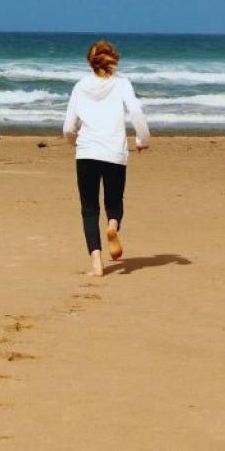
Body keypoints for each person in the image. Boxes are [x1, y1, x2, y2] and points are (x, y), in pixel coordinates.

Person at [63, 40, 150, 276]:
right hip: (114, 152)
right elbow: (136, 112)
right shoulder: (122, 84)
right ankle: (112, 226)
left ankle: (97, 263)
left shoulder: (81, 86)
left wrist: (73, 142)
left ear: (90, 62)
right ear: (113, 60)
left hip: (87, 152)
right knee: (114, 201)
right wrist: (143, 139)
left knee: (89, 209)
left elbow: (69, 125)